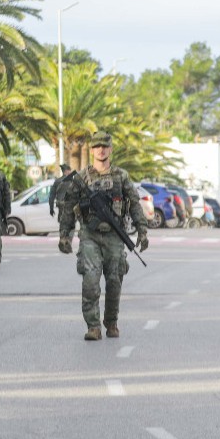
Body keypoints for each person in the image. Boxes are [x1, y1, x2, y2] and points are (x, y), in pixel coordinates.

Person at [57, 131, 149, 340]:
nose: (101, 150)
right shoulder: (81, 178)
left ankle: (111, 321)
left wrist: (142, 231)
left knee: (115, 281)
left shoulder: (121, 176)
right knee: (90, 281)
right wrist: (65, 235)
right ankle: (93, 326)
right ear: (91, 150)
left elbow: (134, 204)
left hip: (115, 236)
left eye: (104, 146)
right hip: (89, 235)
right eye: (97, 146)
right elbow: (69, 206)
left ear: (110, 149)